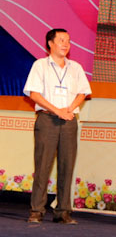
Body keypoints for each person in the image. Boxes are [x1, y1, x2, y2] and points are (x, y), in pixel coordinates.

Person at [24, 28, 92, 225]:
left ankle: (62, 212)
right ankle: (37, 211)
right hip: (47, 120)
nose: (66, 44)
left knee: (67, 166)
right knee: (43, 166)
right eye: (61, 40)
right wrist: (56, 110)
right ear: (50, 44)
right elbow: (34, 94)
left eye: (68, 41)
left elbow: (83, 92)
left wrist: (69, 109)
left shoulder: (76, 67)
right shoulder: (40, 65)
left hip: (69, 120)